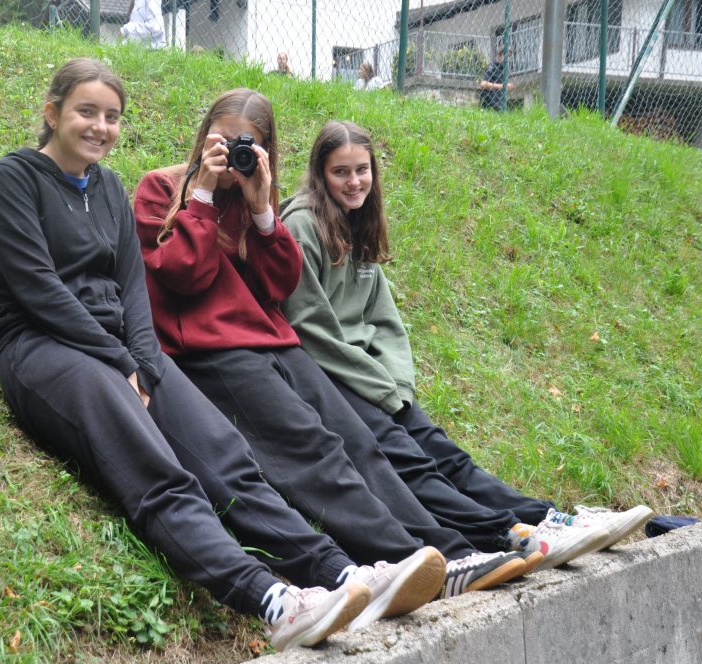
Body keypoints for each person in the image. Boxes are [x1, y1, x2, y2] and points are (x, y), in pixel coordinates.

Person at [0, 58, 465, 652]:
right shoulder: (12, 179)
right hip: (46, 347)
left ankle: (337, 572)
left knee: (225, 455)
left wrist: (143, 360)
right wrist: (121, 360)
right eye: (86, 112)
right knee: (160, 472)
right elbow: (38, 289)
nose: (101, 127)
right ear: (52, 113)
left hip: (122, 349)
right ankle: (272, 599)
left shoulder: (106, 186)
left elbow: (131, 288)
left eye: (112, 116)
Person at [132, 88, 555, 605]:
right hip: (211, 353)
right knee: (312, 452)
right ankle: (406, 558)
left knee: (357, 442)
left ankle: (449, 551)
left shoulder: (250, 197)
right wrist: (201, 194)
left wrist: (262, 211)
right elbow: (183, 274)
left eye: (248, 143)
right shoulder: (162, 188)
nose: (233, 151)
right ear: (204, 136)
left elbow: (279, 285)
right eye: (223, 139)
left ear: (265, 150)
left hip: (275, 343)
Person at [279, 120, 655, 564]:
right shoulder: (303, 225)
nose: (354, 181)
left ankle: (549, 518)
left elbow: (384, 319)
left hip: (373, 377)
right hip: (333, 378)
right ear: (320, 173)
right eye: (340, 172)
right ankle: (505, 534)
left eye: (362, 169)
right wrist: (376, 385)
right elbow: (310, 326)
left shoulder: (358, 221)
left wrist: (397, 383)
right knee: (411, 463)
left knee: (448, 456)